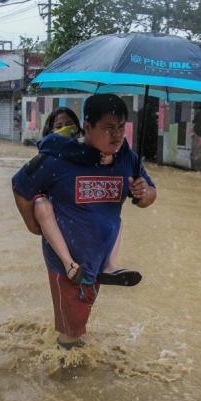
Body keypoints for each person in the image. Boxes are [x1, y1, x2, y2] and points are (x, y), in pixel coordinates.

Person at [12, 94, 157, 349]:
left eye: (121, 127)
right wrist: (33, 227)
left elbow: (148, 196)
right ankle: (66, 378)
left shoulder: (127, 159)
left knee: (80, 317)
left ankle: (73, 354)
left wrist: (145, 193)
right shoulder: (57, 158)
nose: (116, 135)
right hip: (65, 261)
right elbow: (20, 186)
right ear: (87, 128)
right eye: (108, 128)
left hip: (99, 258)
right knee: (71, 331)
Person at [34, 107, 138, 284]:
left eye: (69, 124)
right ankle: (69, 265)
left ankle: (110, 266)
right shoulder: (50, 149)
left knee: (114, 216)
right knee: (42, 205)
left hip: (84, 211)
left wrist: (113, 160)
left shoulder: (92, 147)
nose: (65, 128)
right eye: (59, 126)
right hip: (55, 209)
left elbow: (119, 152)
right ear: (51, 131)